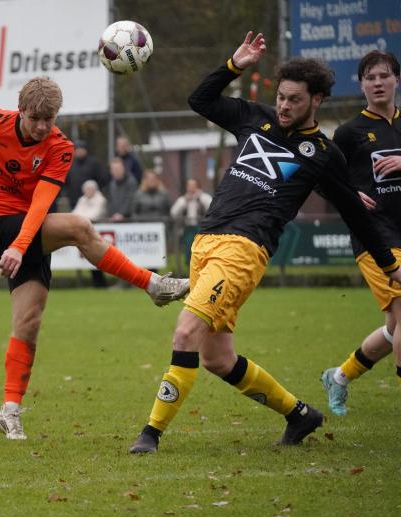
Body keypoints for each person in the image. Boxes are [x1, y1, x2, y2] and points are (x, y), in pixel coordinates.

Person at [129, 32, 401, 454]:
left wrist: (389, 266)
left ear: (317, 100)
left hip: (244, 250)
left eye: (294, 100)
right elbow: (200, 100)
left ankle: (150, 435)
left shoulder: (323, 154)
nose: (284, 106)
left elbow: (357, 218)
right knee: (217, 358)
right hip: (206, 241)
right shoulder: (255, 118)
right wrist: (234, 65)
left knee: (185, 332)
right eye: (281, 97)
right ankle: (299, 414)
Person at [0, 77, 190, 440]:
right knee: (79, 227)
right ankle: (152, 284)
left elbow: (42, 202)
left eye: (50, 119)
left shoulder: (60, 147)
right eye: (35, 119)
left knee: (28, 325)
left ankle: (10, 410)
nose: (43, 126)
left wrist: (21, 245)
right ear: (20, 111)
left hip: (28, 234)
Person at [320, 50, 401, 415]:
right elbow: (321, 176)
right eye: (370, 78)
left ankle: (338, 376)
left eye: (384, 76)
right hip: (375, 237)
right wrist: (350, 194)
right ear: (361, 85)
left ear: (397, 79)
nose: (378, 83)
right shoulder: (349, 133)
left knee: (394, 326)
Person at [64, 140, 107, 209]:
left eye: (81, 149)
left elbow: (102, 179)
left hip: (91, 201)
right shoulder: (70, 164)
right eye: (77, 149)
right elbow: (66, 180)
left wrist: (95, 191)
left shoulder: (93, 163)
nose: (79, 151)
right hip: (74, 200)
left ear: (86, 150)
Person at [105, 157, 138, 221]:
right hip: (114, 219)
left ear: (123, 168)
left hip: (129, 220)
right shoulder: (112, 184)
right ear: (111, 171)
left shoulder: (131, 181)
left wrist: (121, 214)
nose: (116, 171)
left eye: (118, 168)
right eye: (113, 169)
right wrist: (111, 215)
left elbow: (130, 200)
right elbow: (110, 202)